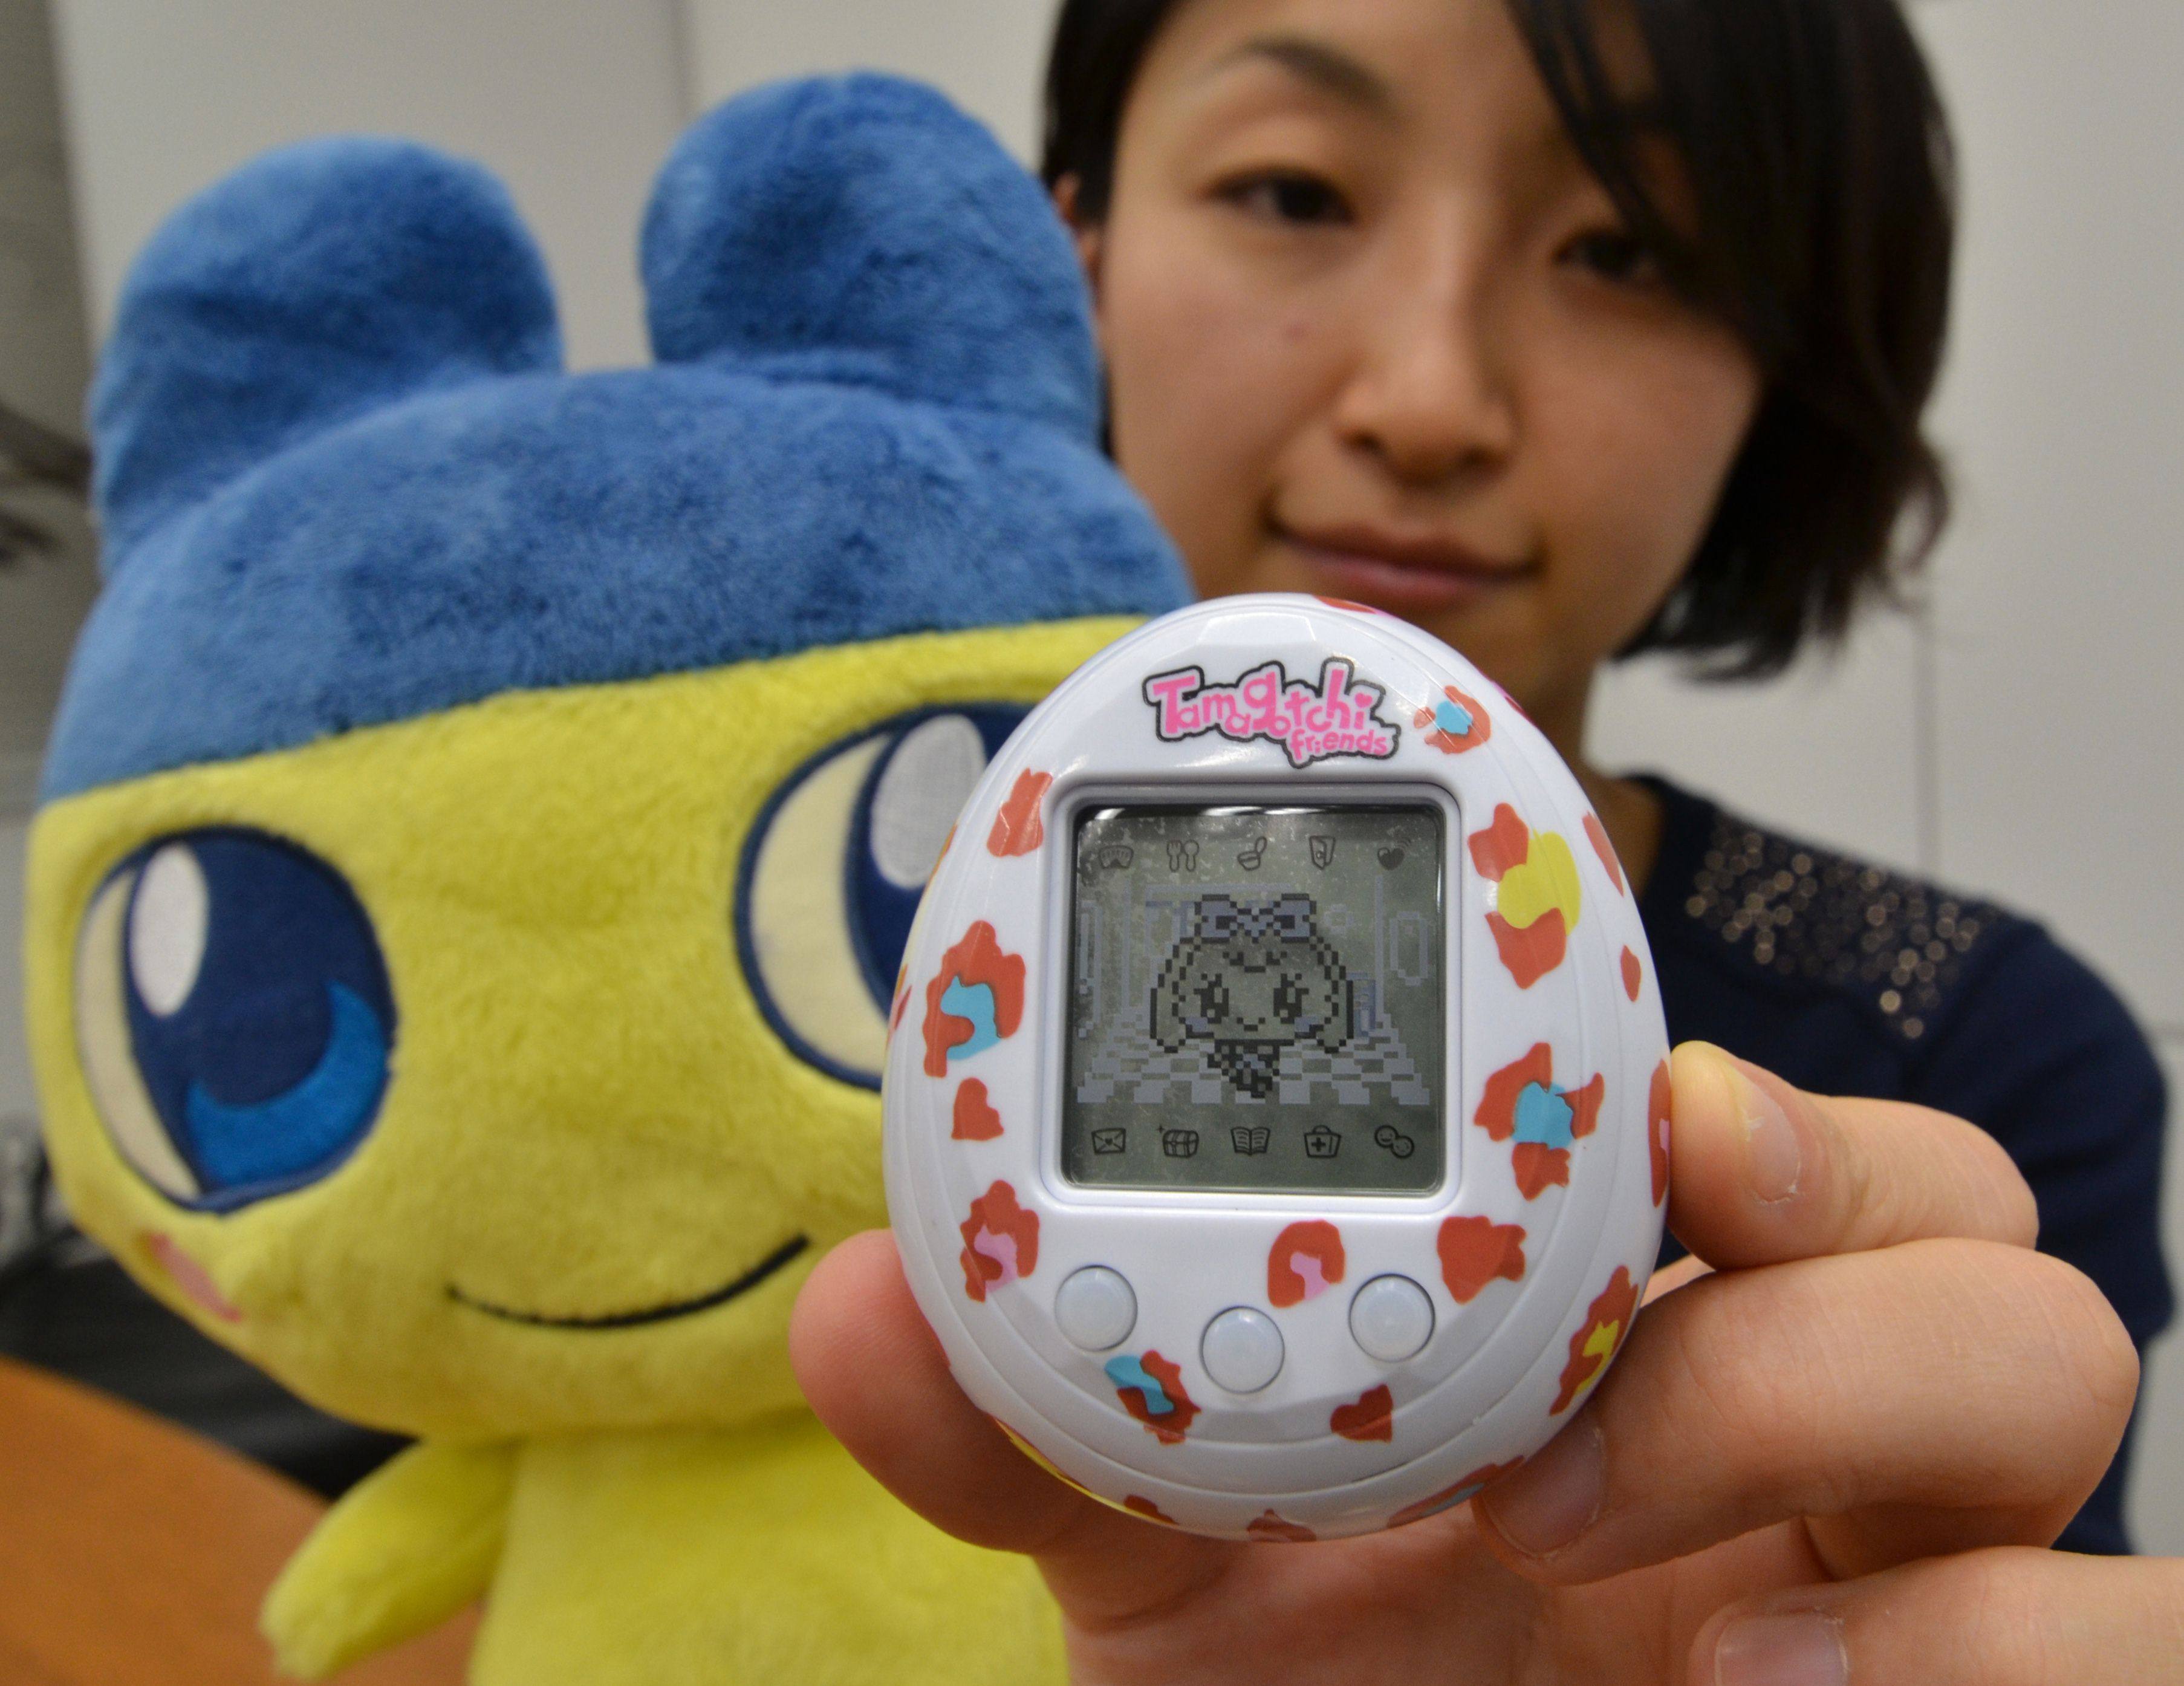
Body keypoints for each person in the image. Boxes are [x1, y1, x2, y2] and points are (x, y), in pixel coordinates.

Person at [787, 0, 2182, 1679]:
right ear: (1071, 252)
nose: (1429, 400)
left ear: (1780, 359)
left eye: (1624, 245)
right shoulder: (764, 987)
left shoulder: (1976, 1050)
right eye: (1295, 193)